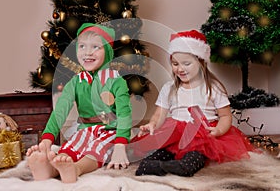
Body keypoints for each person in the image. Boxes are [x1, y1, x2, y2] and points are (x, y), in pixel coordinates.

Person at [133, 30, 257, 177]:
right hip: (174, 133)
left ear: (201, 62)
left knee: (194, 158)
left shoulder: (213, 88)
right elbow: (159, 113)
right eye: (175, 64)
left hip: (202, 135)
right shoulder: (170, 88)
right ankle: (157, 165)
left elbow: (225, 116)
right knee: (157, 153)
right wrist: (152, 124)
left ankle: (180, 167)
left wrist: (218, 130)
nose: (180, 69)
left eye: (186, 63)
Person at [26, 23, 132, 183]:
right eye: (82, 46)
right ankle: (51, 169)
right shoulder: (76, 82)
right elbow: (60, 111)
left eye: (96, 47)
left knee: (96, 148)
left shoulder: (117, 81)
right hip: (86, 128)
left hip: (110, 130)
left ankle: (77, 168)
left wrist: (120, 144)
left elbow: (125, 114)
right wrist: (47, 137)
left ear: (108, 52)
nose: (87, 52)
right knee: (72, 146)